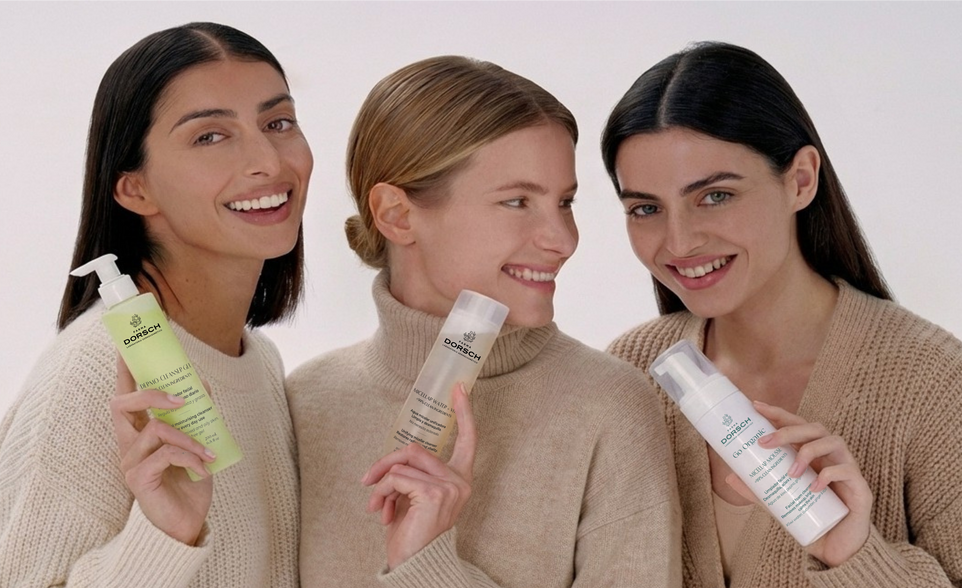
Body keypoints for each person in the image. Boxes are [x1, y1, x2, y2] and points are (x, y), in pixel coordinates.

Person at [601, 42, 962, 587]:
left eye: (715, 196)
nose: (679, 240)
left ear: (801, 179)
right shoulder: (631, 375)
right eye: (645, 208)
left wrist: (855, 556)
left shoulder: (927, 379)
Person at [289, 55, 681, 587]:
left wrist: (428, 569)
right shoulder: (305, 403)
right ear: (397, 215)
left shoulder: (608, 408)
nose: (563, 240)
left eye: (564, 202)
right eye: (517, 201)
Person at [0, 22, 311, 587]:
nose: (267, 161)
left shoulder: (258, 363)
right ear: (135, 189)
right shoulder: (93, 377)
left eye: (277, 122)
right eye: (210, 136)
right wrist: (163, 539)